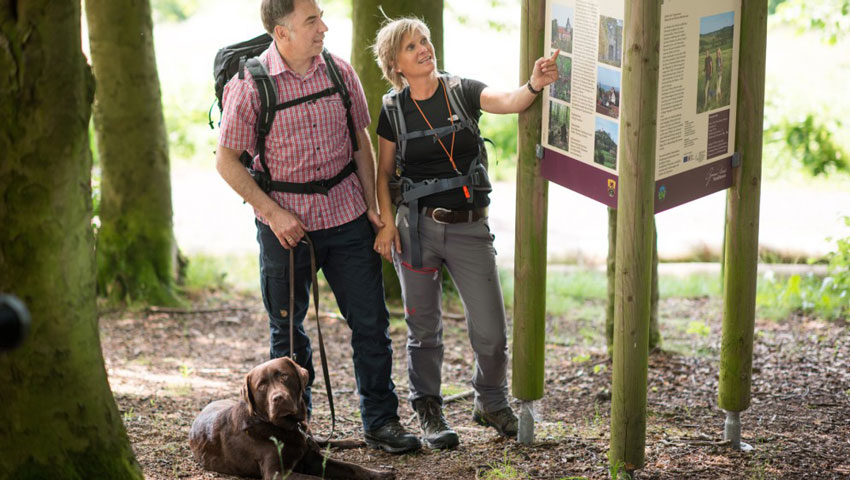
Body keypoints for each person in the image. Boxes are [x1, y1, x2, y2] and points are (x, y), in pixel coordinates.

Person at [215, 0, 420, 453]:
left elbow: (361, 143)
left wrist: (371, 205)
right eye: (312, 21)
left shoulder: (340, 72)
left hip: (347, 221)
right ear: (282, 33)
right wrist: (273, 213)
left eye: (322, 16)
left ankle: (381, 423)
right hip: (286, 231)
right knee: (288, 336)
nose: (323, 27)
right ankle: (294, 432)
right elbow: (226, 163)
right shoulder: (250, 87)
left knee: (371, 324)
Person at [371, 18, 558, 449]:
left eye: (425, 42)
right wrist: (385, 224)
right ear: (395, 64)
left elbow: (509, 101)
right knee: (424, 330)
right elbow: (383, 174)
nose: (424, 49)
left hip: (470, 228)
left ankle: (490, 401)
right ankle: (429, 412)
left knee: (492, 332)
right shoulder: (393, 109)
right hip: (416, 229)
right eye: (411, 46)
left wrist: (532, 85)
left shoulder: (461, 90)